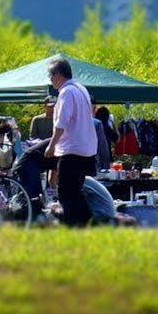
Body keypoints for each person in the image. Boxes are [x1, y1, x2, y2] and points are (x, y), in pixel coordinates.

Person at [46, 57, 98, 228]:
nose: (50, 79)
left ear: (59, 74)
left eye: (51, 75)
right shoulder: (80, 88)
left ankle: (72, 230)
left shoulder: (66, 92)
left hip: (72, 151)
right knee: (76, 193)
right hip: (85, 149)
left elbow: (62, 123)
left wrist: (51, 145)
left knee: (66, 194)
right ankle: (89, 225)